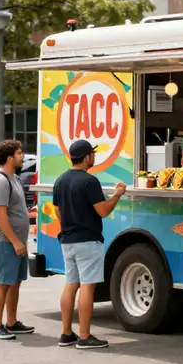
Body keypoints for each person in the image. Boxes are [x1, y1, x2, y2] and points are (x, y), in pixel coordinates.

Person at [53, 139, 126, 349]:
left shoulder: (60, 180)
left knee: (70, 285)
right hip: (87, 240)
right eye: (92, 154)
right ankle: (84, 336)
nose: (94, 157)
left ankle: (66, 333)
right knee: (87, 287)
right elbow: (103, 210)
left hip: (67, 240)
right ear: (86, 157)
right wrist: (117, 195)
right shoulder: (89, 181)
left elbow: (57, 210)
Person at [0, 139, 34, 340]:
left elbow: (14, 209)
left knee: (15, 282)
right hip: (5, 241)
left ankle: (12, 322)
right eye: (19, 153)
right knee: (3, 282)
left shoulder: (13, 178)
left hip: (17, 240)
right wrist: (15, 241)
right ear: (9, 157)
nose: (22, 156)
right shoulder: (0, 181)